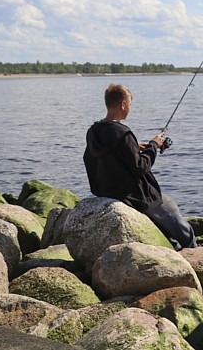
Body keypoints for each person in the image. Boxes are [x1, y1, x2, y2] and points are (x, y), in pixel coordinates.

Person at [83, 83, 197, 251]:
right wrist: (153, 145)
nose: (129, 108)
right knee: (170, 209)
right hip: (132, 195)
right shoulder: (124, 133)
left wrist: (133, 147)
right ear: (123, 105)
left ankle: (172, 247)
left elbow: (102, 155)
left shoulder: (93, 131)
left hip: (105, 190)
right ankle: (194, 249)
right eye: (129, 104)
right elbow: (140, 167)